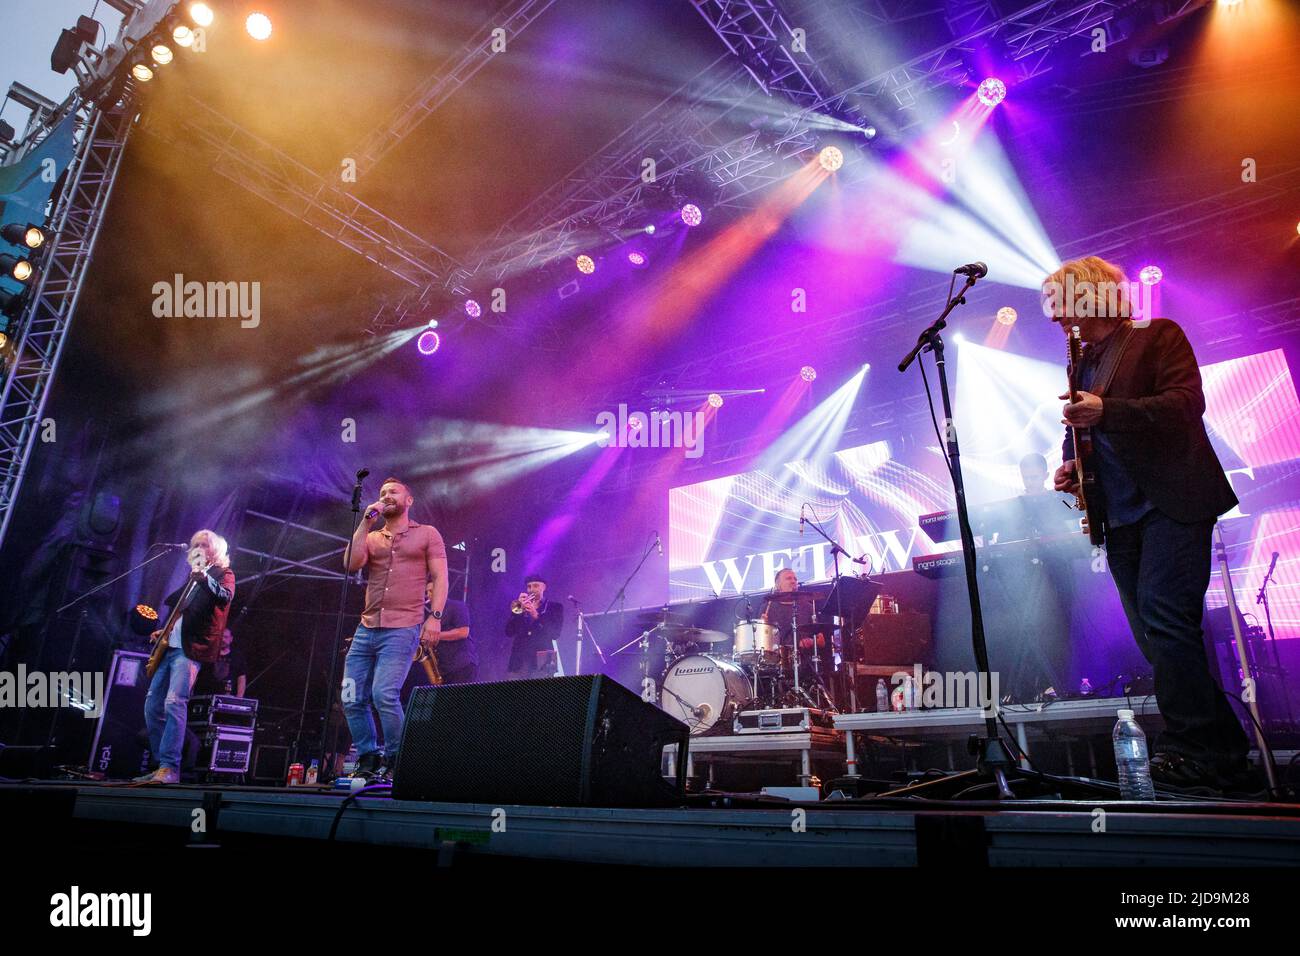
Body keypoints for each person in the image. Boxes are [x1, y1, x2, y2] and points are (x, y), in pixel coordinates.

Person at [1046, 255, 1249, 791]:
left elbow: (1185, 404)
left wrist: (1106, 412)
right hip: (1120, 514)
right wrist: (1074, 465)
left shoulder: (1157, 335)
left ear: (1092, 296)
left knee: (1165, 619)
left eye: (1063, 302)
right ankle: (1224, 752)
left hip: (1172, 501)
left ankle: (1190, 747)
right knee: (1155, 636)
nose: (1056, 317)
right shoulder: (1082, 364)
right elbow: (1082, 428)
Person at [342, 477, 448, 781]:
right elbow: (350, 563)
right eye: (383, 493)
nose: (387, 496)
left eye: (393, 492)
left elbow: (440, 577)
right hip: (367, 626)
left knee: (383, 694)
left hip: (403, 626)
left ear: (409, 500)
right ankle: (367, 757)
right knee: (350, 696)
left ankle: (396, 759)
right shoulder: (372, 537)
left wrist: (436, 616)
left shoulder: (427, 534)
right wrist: (365, 521)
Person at [136, 530, 235, 784]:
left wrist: (204, 578)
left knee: (174, 702)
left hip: (190, 650)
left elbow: (225, 597)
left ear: (214, 550)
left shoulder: (222, 574)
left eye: (204, 544)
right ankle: (161, 765)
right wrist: (165, 629)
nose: (198, 548)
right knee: (153, 706)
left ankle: (170, 767)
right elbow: (182, 613)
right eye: (195, 545)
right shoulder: (189, 578)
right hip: (170, 647)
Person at [402, 596, 476, 704]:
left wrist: (435, 635)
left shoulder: (457, 606)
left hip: (461, 666)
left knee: (461, 706)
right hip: (443, 669)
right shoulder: (429, 616)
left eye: (432, 590)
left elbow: (463, 632)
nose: (429, 594)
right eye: (427, 592)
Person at [505, 575, 564, 679]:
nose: (531, 590)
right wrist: (518, 611)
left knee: (541, 693)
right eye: (529, 587)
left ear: (544, 588)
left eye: (535, 586)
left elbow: (555, 634)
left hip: (543, 659)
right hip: (519, 659)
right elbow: (509, 632)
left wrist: (536, 615)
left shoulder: (555, 607)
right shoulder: (519, 607)